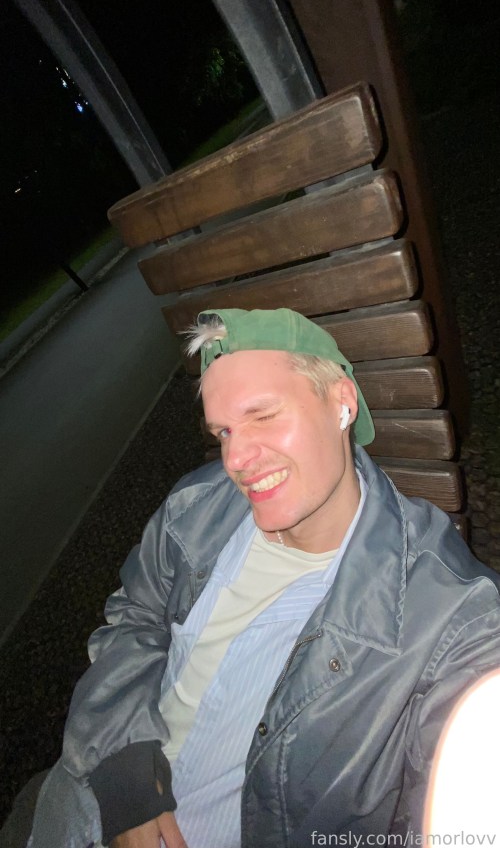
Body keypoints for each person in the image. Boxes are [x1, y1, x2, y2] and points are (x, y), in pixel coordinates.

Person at [29, 307, 500, 848]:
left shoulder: (451, 616)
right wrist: (122, 764)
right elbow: (134, 618)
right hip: (87, 794)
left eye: (264, 416)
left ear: (342, 402)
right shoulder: (194, 507)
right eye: (224, 431)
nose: (236, 458)